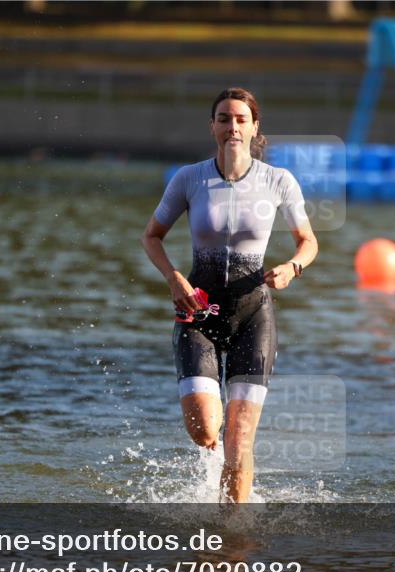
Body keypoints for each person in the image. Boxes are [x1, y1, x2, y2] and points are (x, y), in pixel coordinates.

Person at [141, 87, 318, 502]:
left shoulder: (278, 181)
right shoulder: (189, 178)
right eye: (224, 119)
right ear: (212, 128)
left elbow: (308, 241)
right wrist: (174, 279)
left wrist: (294, 267)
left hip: (253, 314)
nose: (232, 127)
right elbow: (151, 237)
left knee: (239, 440)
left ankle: (231, 541)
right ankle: (217, 469)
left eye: (241, 119)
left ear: (255, 127)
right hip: (198, 310)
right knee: (205, 429)